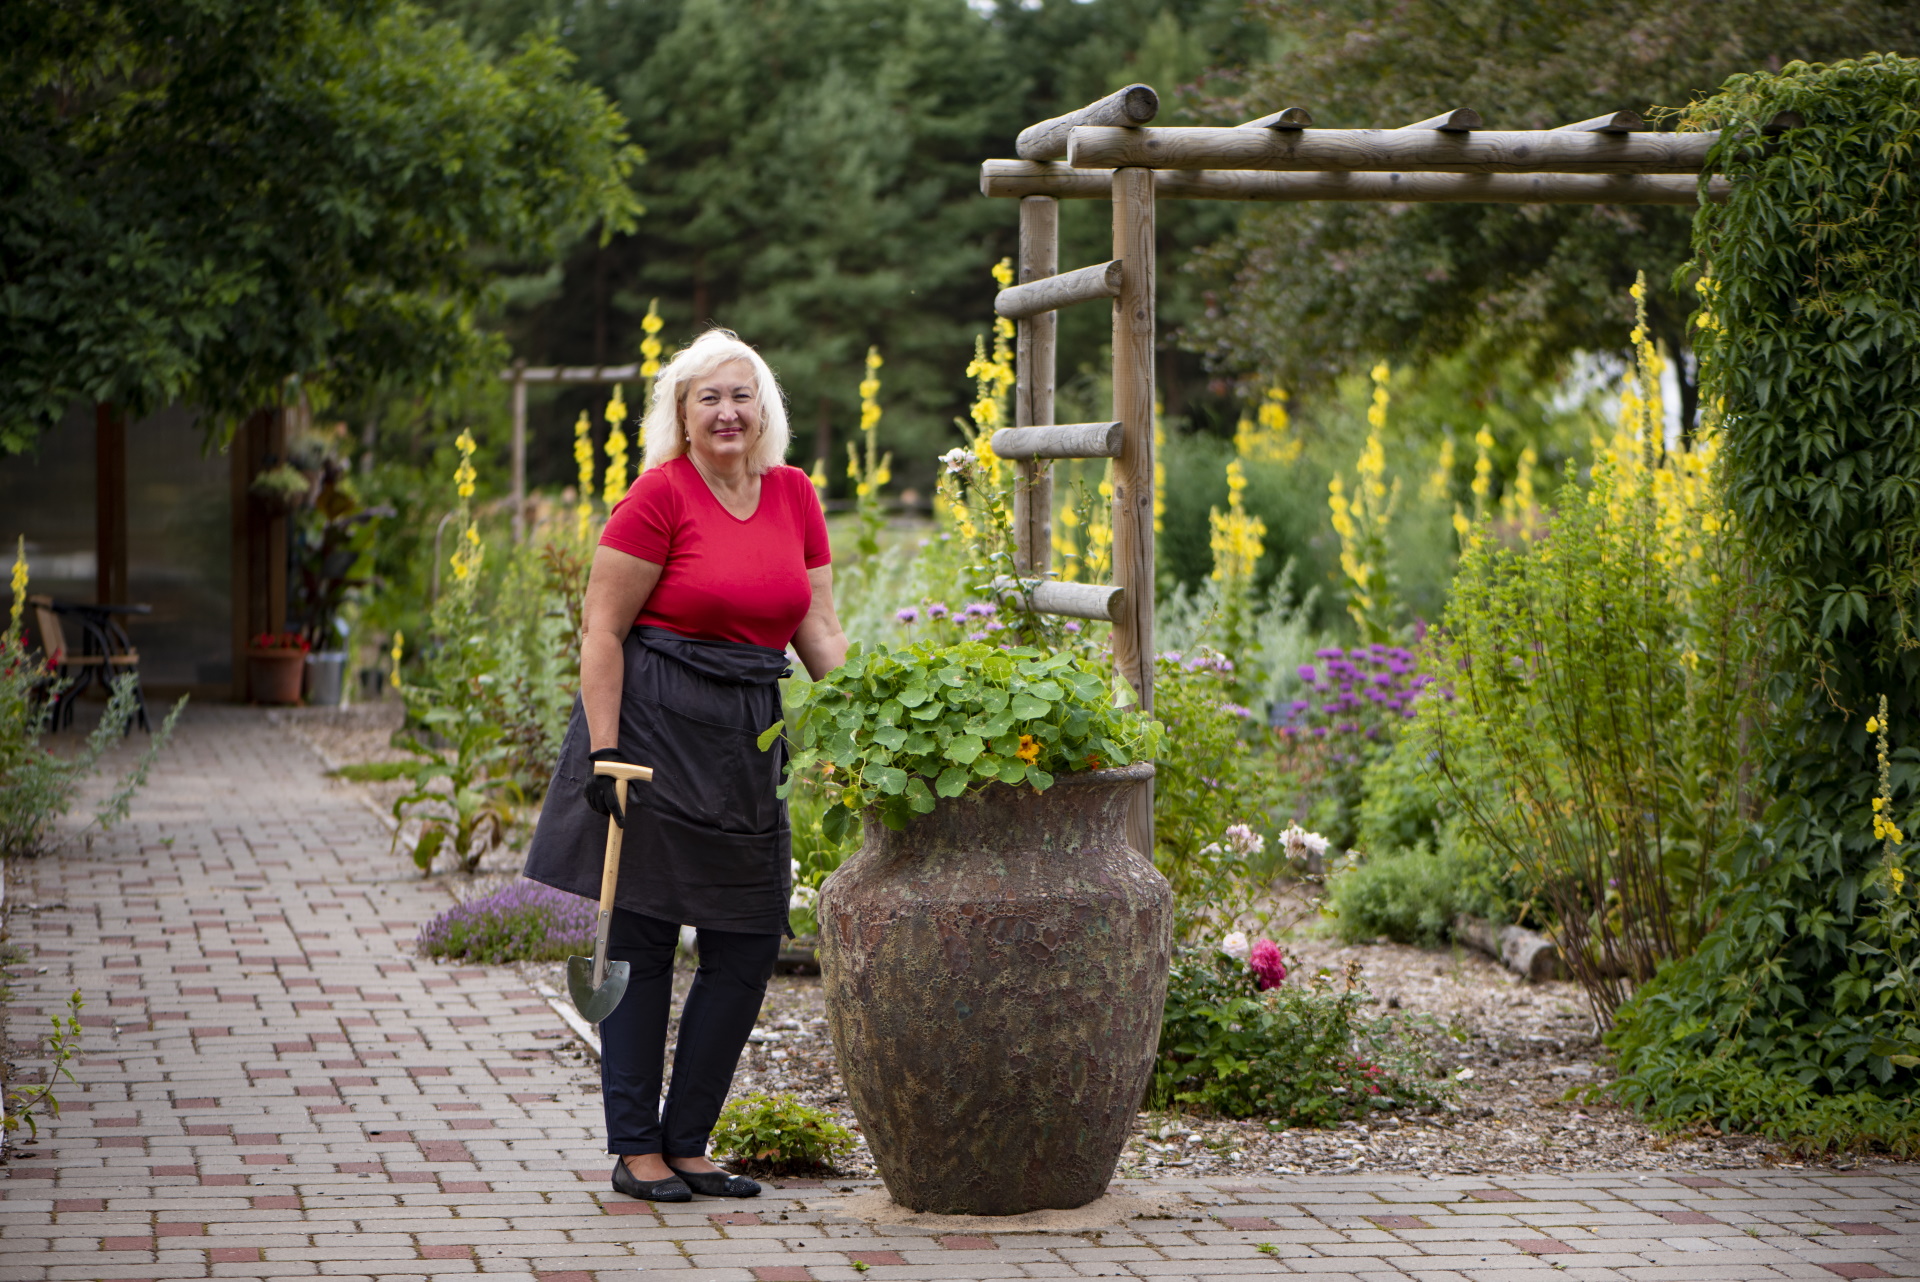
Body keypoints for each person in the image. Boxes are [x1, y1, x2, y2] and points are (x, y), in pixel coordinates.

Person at [523, 329, 849, 1202]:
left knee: (746, 943)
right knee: (643, 939)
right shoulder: (658, 497)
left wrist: (864, 720)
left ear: (765, 409)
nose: (727, 412)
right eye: (708, 397)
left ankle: (690, 1140)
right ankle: (637, 1149)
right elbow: (603, 630)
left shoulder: (792, 495)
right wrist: (603, 748)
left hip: (749, 735)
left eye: (741, 395)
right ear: (682, 414)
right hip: (655, 731)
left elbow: (816, 624)